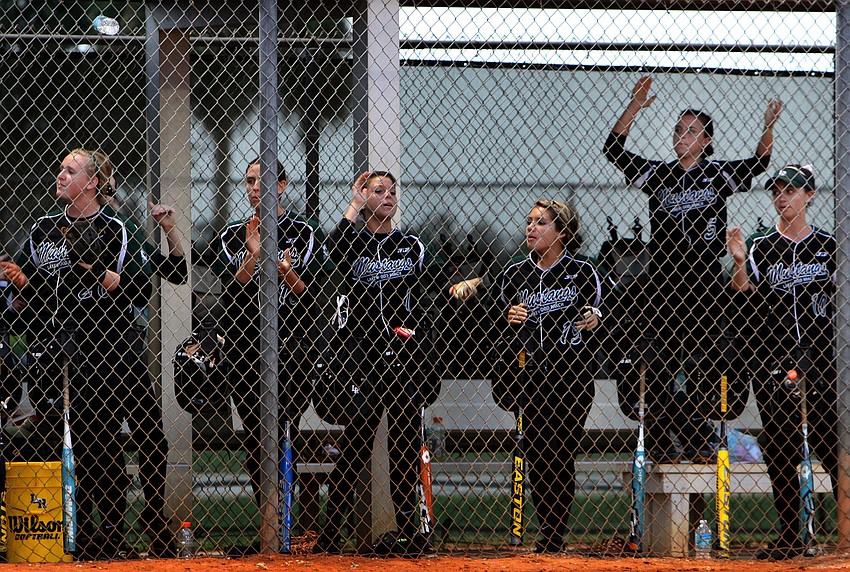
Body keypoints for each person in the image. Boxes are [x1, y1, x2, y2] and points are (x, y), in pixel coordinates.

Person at [603, 76, 783, 462]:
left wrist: (768, 127)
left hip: (702, 281)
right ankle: (670, 439)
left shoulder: (718, 175)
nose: (683, 136)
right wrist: (635, 106)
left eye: (692, 131)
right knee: (660, 363)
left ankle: (698, 436)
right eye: (679, 130)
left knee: (705, 362)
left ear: (706, 141)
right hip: (664, 281)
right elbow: (614, 150)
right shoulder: (659, 175)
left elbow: (760, 162)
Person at [10, 148, 153, 560]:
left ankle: (111, 532)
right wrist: (19, 283)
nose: (59, 175)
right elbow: (29, 296)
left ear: (91, 182)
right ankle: (77, 529)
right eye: (59, 168)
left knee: (105, 442)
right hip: (61, 350)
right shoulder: (43, 230)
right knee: (70, 439)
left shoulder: (116, 228)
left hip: (108, 349)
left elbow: (141, 290)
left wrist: (107, 277)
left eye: (69, 171)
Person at [312, 171, 435, 556]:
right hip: (361, 353)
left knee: (403, 442)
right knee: (358, 440)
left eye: (391, 192)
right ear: (364, 197)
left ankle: (407, 532)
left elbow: (430, 291)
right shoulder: (353, 242)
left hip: (402, 352)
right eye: (377, 191)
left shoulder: (410, 245)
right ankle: (330, 535)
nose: (387, 197)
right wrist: (353, 203)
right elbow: (334, 251)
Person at [727, 164, 836, 560]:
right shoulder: (761, 245)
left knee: (831, 441)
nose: (782, 197)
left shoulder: (828, 243)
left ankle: (844, 530)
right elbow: (744, 292)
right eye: (777, 190)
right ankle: (790, 533)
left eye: (791, 190)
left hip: (823, 356)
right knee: (779, 446)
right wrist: (739, 261)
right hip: (774, 355)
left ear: (809, 195)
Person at [217, 158, 323, 555]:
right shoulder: (232, 234)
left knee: (282, 433)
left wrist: (276, 266)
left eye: (262, 181)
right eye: (248, 181)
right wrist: (254, 257)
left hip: (291, 347)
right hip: (246, 349)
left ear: (280, 186)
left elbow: (307, 293)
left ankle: (284, 528)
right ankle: (269, 525)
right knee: (255, 441)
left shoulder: (304, 232)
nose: (254, 188)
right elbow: (231, 294)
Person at [489, 200, 603, 553]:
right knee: (538, 455)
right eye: (529, 221)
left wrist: (596, 317)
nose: (531, 228)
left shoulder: (583, 270)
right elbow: (493, 322)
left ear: (562, 233)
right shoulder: (514, 274)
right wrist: (506, 315)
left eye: (541, 223)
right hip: (531, 378)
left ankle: (554, 533)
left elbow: (605, 308)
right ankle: (548, 534)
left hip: (572, 376)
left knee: (560, 453)